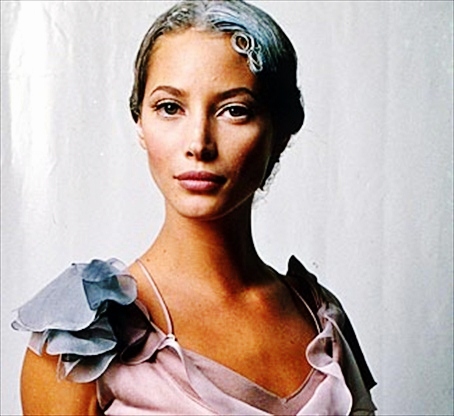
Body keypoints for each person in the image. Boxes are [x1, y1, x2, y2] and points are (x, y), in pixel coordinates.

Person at [12, 0, 376, 414]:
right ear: (140, 124)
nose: (198, 144)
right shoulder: (79, 337)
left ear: (280, 132)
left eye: (234, 111)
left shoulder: (321, 317)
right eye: (170, 108)